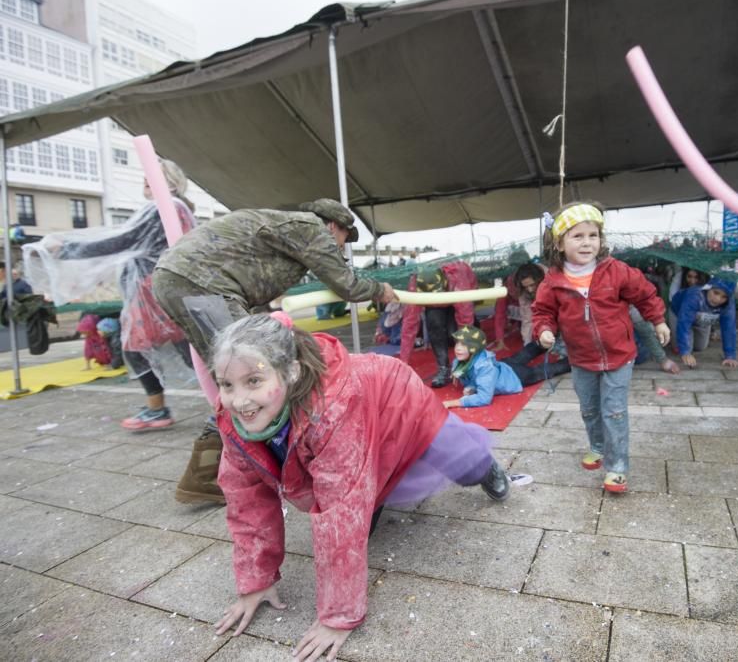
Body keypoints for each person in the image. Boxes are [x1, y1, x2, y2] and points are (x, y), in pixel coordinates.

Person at [210, 312, 510, 660]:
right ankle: (379, 493)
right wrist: (255, 581)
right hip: (358, 433)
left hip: (396, 399)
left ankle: (484, 467)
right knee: (363, 491)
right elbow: (247, 502)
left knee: (464, 462)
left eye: (253, 381)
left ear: (290, 372)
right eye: (226, 384)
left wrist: (338, 617)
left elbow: (341, 509)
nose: (239, 401)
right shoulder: (232, 421)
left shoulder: (329, 409)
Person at [151, 198, 397, 504]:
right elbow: (344, 284)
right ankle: (234, 474)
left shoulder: (284, 226)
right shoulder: (312, 229)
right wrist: (380, 290)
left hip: (181, 278)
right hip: (200, 283)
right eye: (344, 238)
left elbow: (252, 275)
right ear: (334, 226)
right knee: (253, 375)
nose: (341, 246)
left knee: (241, 375)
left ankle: (211, 476)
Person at [23, 160, 196, 430]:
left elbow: (122, 241)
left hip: (153, 294)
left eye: (153, 177)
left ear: (171, 181)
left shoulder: (164, 207)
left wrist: (67, 250)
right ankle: (193, 404)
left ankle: (161, 409)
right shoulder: (177, 208)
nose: (146, 181)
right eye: (146, 176)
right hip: (163, 289)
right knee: (187, 349)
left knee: (144, 348)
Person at [532, 202, 669, 493]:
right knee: (590, 409)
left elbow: (645, 295)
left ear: (601, 239)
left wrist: (658, 321)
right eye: (577, 236)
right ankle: (597, 445)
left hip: (619, 356)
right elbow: (542, 312)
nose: (586, 242)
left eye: (592, 235)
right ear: (559, 242)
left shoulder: (616, 271)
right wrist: (544, 330)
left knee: (614, 411)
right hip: (580, 358)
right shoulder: (553, 281)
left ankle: (617, 467)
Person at [398, 262, 477, 388]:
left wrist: (465, 363)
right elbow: (409, 324)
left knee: (456, 333)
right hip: (435, 305)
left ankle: (471, 363)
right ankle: (443, 368)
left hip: (458, 297)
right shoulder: (415, 285)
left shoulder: (459, 279)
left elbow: (466, 321)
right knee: (434, 322)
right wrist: (402, 364)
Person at [670, 277, 738, 369]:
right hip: (679, 314)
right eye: (716, 293)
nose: (717, 299)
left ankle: (693, 335)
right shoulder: (695, 295)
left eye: (724, 297)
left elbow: (729, 327)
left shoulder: (729, 304)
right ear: (709, 288)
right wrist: (685, 352)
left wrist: (730, 355)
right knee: (682, 348)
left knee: (700, 347)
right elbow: (683, 323)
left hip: (702, 319)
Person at [443, 326, 522, 408]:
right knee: (521, 356)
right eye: (457, 343)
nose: (458, 348)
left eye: (464, 345)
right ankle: (534, 346)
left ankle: (536, 344)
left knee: (534, 371)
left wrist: (453, 403)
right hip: (500, 368)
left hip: (513, 377)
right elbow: (474, 377)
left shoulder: (484, 366)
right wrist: (472, 387)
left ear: (475, 348)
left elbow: (484, 398)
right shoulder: (459, 361)